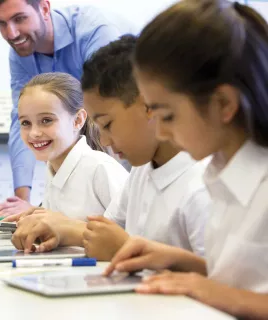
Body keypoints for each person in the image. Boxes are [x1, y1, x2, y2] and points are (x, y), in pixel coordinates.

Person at [104, 1, 268, 318]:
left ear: (223, 103)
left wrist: (210, 291)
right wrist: (181, 262)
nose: (161, 133)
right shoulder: (221, 173)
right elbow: (249, 279)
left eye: (167, 115)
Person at [10, 35, 210, 262]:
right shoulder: (141, 172)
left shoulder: (203, 185)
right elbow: (105, 233)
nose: (103, 141)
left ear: (149, 106)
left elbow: (219, 281)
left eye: (107, 124)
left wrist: (121, 247)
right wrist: (59, 228)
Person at [0, 0, 129, 216]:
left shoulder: (95, 31)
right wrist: (21, 206)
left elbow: (112, 106)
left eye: (19, 19)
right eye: (1, 23)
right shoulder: (20, 52)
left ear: (44, 8)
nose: (12, 33)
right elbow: (20, 117)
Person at [0, 72, 127, 220]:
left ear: (78, 120)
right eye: (25, 123)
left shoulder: (100, 168)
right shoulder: (53, 169)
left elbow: (132, 234)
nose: (34, 133)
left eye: (46, 120)